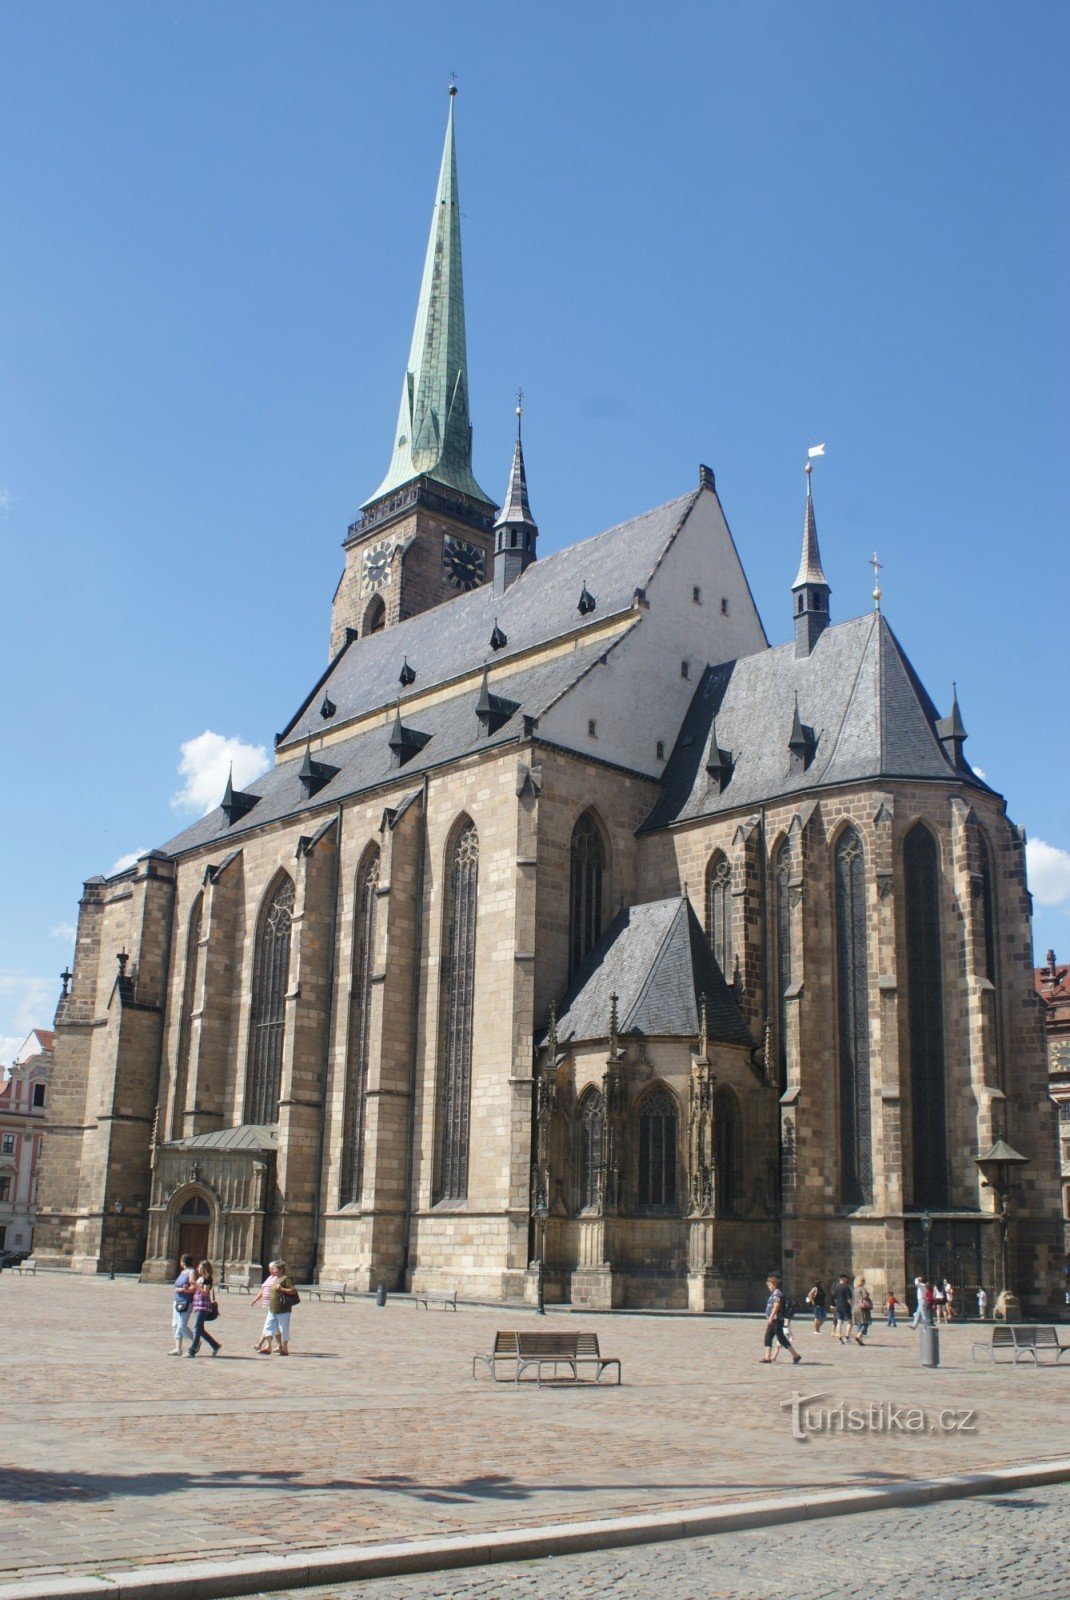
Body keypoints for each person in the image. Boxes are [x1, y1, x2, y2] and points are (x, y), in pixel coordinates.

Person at [760, 1274, 801, 1364]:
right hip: (774, 1320)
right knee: (768, 1337)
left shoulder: (777, 1293)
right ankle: (767, 1357)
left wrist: (771, 1317)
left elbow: (776, 1306)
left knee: (781, 1338)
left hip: (776, 1319)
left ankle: (796, 1355)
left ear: (774, 1284)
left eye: (770, 1285)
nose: (768, 1287)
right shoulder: (775, 1293)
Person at [187, 1259, 222, 1357]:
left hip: (203, 1305)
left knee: (197, 1328)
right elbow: (196, 1289)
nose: (198, 1269)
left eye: (200, 1267)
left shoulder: (208, 1278)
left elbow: (205, 1292)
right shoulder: (201, 1278)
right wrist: (187, 1288)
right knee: (200, 1330)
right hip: (197, 1304)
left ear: (204, 1269)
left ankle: (192, 1351)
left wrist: (196, 1285)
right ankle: (215, 1346)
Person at [267, 1260, 298, 1355]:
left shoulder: (286, 1279)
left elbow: (293, 1291)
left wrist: (282, 1289)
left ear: (280, 1270)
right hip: (272, 1308)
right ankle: (268, 1346)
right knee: (269, 1327)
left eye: (275, 1268)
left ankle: (285, 1348)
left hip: (283, 1309)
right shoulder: (275, 1279)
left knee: (284, 1328)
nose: (273, 1270)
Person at [251, 1262, 281, 1353]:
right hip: (267, 1305)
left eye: (272, 1268)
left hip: (274, 1305)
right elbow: (263, 1290)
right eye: (270, 1268)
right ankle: (279, 1345)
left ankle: (262, 1345)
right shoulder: (269, 1278)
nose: (270, 1270)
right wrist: (255, 1299)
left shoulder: (278, 1278)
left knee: (269, 1325)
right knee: (274, 1326)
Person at [170, 1252, 195, 1355]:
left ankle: (195, 1341)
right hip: (177, 1301)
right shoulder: (182, 1272)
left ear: (183, 1261)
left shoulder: (192, 1272)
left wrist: (182, 1290)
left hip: (186, 1301)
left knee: (182, 1326)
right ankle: (178, 1349)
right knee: (175, 1325)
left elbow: (194, 1287)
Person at [832, 1274, 854, 1343]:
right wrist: (852, 1305)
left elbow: (835, 1298)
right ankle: (847, 1337)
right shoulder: (846, 1287)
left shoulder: (836, 1287)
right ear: (843, 1279)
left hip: (838, 1306)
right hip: (846, 1306)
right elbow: (849, 1299)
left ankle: (839, 1336)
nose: (847, 1279)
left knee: (839, 1322)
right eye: (846, 1278)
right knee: (850, 1322)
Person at [853, 1278, 872, 1345]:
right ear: (862, 1281)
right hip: (862, 1308)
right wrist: (868, 1294)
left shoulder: (855, 1289)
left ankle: (860, 1340)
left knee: (859, 1324)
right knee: (865, 1323)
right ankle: (859, 1335)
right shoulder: (862, 1288)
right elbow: (865, 1296)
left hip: (855, 1307)